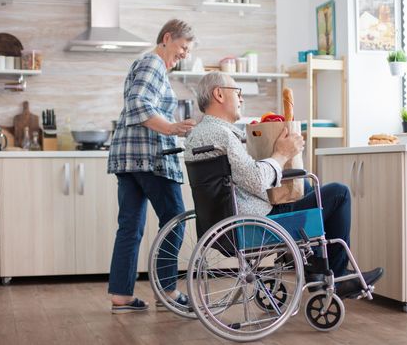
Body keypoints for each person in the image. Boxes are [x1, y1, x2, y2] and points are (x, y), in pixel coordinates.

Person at [184, 72, 383, 298]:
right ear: (219, 94)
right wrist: (282, 153)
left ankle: (315, 270)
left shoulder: (197, 134)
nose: (241, 98)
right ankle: (335, 276)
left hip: (222, 225)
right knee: (338, 193)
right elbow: (256, 180)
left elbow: (243, 177)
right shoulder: (223, 135)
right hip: (256, 226)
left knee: (305, 190)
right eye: (237, 92)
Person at [107, 19, 197, 313]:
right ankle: (168, 290)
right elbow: (137, 104)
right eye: (183, 47)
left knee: (130, 227)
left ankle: (121, 295)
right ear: (167, 38)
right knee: (175, 219)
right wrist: (171, 128)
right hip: (148, 158)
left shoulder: (149, 64)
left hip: (129, 157)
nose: (184, 53)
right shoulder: (154, 63)